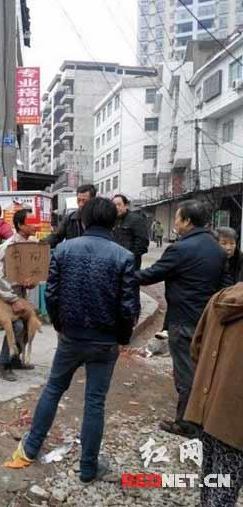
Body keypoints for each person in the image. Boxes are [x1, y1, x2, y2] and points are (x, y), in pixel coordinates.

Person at [6, 198, 139, 482]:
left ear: (85, 220)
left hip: (71, 337)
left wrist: (60, 326)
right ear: (114, 221)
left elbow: (51, 295)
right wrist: (122, 338)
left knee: (54, 388)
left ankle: (30, 448)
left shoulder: (64, 250)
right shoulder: (124, 256)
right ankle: (89, 468)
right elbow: (128, 307)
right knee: (95, 402)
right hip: (105, 341)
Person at [136, 200, 229, 437]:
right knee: (202, 369)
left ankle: (187, 424)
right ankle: (203, 416)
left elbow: (151, 275)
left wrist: (122, 272)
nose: (175, 223)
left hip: (183, 321)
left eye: (177, 218)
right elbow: (225, 287)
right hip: (208, 321)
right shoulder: (217, 249)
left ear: (187, 221)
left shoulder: (180, 249)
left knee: (185, 374)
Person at [184, 283, 243, 507]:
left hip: (206, 406)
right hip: (235, 419)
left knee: (211, 474)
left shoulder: (220, 297)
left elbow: (196, 348)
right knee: (226, 487)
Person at [0, 209, 38, 381]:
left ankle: (15, 359)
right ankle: (4, 364)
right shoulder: (7, 247)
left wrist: (31, 282)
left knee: (29, 324)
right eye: (31, 222)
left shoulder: (30, 245)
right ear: (20, 225)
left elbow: (28, 274)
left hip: (18, 293)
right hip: (1, 294)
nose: (35, 225)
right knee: (16, 326)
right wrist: (12, 299)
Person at [111, 194, 149, 270]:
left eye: (119, 205)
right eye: (114, 205)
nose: (116, 207)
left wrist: (129, 257)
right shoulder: (112, 220)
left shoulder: (136, 220)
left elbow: (142, 243)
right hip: (115, 263)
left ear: (126, 206)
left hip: (130, 264)